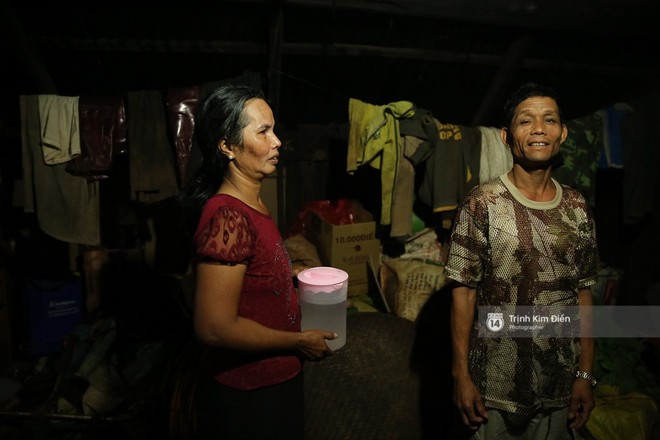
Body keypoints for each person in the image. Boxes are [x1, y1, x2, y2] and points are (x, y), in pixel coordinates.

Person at [179, 84, 337, 440]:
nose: (277, 141)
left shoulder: (252, 205)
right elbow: (213, 327)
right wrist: (296, 342)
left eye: (274, 129)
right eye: (263, 131)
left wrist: (286, 274)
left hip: (275, 381)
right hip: (247, 396)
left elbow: (251, 268)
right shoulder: (227, 217)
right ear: (227, 146)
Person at [444, 82, 599, 439]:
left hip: (559, 386)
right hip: (493, 388)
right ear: (506, 135)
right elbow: (463, 294)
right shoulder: (481, 203)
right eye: (525, 121)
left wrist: (585, 375)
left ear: (562, 133)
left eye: (549, 120)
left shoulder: (577, 208)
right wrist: (461, 376)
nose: (539, 129)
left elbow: (584, 295)